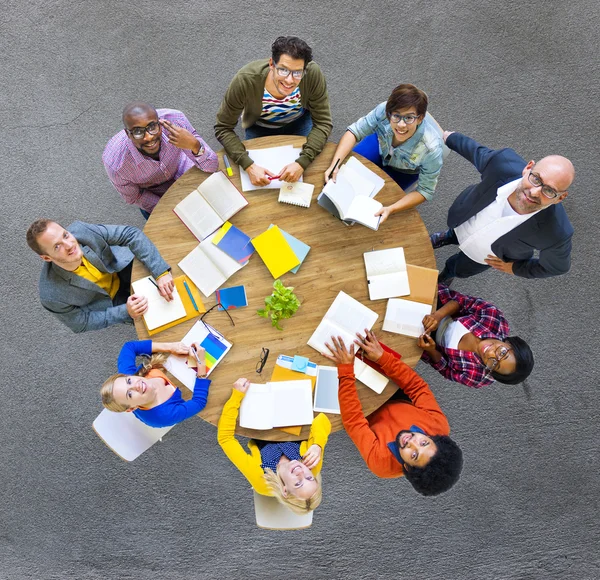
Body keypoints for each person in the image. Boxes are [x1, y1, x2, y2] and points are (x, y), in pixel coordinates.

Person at [323, 331, 463, 497]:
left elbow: (354, 421)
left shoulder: (381, 464)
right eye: (424, 443)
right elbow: (416, 387)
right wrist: (383, 357)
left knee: (326, 367)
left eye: (414, 455)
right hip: (394, 395)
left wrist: (345, 370)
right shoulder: (439, 426)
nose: (411, 442)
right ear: (434, 438)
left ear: (407, 467)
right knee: (367, 341)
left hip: (363, 411)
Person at [430, 131, 575, 283]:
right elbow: (475, 152)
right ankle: (449, 237)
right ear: (528, 168)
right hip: (463, 220)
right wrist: (448, 137)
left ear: (561, 197)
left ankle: (446, 275)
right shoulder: (502, 163)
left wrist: (515, 268)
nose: (534, 192)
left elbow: (557, 267)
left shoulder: (557, 233)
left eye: (549, 191)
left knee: (457, 268)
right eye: (536, 179)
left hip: (482, 256)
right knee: (454, 233)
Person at [215, 36, 332, 187]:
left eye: (297, 73)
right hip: (259, 127)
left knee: (307, 179)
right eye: (283, 70)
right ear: (271, 64)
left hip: (299, 122)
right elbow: (223, 127)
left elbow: (323, 122)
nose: (289, 80)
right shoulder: (245, 80)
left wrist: (302, 162)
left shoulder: (312, 73)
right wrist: (248, 165)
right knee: (259, 183)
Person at [324, 84, 445, 224]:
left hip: (405, 170)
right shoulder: (383, 110)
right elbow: (355, 131)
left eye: (409, 118)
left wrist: (391, 209)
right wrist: (335, 164)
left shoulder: (432, 149)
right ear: (389, 113)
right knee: (343, 175)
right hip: (380, 147)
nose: (401, 125)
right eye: (396, 116)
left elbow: (425, 191)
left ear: (420, 118)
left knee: (373, 207)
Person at [26, 219, 173, 333]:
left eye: (65, 235)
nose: (69, 245)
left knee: (174, 287)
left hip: (121, 267)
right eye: (57, 246)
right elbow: (80, 323)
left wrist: (160, 272)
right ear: (46, 258)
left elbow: (130, 234)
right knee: (165, 323)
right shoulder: (51, 295)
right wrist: (124, 312)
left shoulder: (82, 230)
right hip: (113, 302)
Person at [218, 378, 331, 514]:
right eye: (309, 478)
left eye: (297, 483)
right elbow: (321, 419)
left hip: (258, 418)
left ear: (285, 490)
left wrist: (236, 397)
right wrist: (318, 444)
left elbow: (225, 439)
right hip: (289, 412)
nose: (301, 472)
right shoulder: (312, 465)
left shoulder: (261, 480)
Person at [103, 102, 218, 218]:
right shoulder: (116, 164)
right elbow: (135, 196)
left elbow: (212, 166)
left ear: (160, 123)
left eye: (152, 127)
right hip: (155, 192)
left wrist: (195, 146)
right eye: (138, 132)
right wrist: (169, 209)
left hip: (183, 169)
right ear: (128, 134)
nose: (148, 137)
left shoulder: (176, 121)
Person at [418, 284, 534, 388]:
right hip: (441, 306)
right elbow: (462, 301)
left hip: (424, 341)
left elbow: (445, 369)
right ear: (510, 343)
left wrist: (431, 350)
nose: (490, 354)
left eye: (494, 364)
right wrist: (438, 316)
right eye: (503, 352)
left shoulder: (477, 378)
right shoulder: (495, 319)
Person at [101, 340, 211, 428]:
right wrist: (201, 365)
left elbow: (129, 347)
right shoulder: (165, 416)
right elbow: (199, 402)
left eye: (129, 381)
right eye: (129, 394)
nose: (136, 385)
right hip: (187, 386)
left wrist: (170, 347)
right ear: (132, 408)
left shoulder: (128, 374)